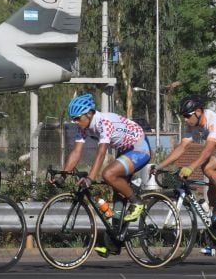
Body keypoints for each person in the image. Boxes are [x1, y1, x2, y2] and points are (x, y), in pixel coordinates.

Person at [57, 93, 152, 257]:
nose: (75, 122)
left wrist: (90, 178)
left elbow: (101, 153)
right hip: (125, 151)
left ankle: (137, 202)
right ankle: (113, 244)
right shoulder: (84, 127)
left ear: (88, 114)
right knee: (118, 197)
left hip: (139, 148)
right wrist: (63, 175)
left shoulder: (104, 121)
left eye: (77, 118)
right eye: (73, 119)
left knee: (108, 174)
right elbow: (76, 152)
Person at [155, 95, 216, 224]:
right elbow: (182, 147)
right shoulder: (194, 126)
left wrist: (190, 167)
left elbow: (208, 151)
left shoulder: (213, 120)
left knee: (207, 167)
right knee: (212, 192)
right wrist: (159, 166)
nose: (185, 119)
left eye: (187, 116)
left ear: (198, 112)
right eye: (183, 116)